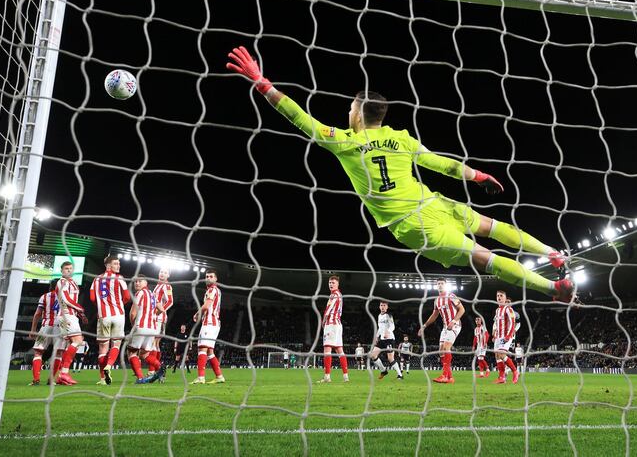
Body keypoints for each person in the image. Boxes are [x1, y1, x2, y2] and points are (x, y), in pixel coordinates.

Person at [226, 46, 574, 302]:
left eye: (350, 107)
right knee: (493, 227)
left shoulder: (346, 142)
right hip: (432, 201)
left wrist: (262, 83)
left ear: (359, 115)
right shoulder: (400, 138)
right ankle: (551, 252)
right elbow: (441, 164)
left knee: (484, 257)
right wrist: (477, 176)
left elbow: (301, 119)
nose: (348, 112)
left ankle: (552, 289)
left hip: (414, 224)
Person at [90, 255, 131, 385]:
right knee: (116, 344)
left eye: (119, 263)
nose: (118, 266)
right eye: (115, 263)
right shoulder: (119, 278)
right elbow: (127, 296)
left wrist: (102, 306)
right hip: (118, 314)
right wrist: (119, 305)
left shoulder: (96, 279)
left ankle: (102, 378)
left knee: (103, 348)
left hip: (103, 316)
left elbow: (92, 298)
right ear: (108, 265)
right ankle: (109, 366)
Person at [418, 278, 464, 384]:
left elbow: (462, 309)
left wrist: (453, 321)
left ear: (446, 285)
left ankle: (444, 376)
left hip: (455, 325)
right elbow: (434, 315)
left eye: (442, 284)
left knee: (446, 347)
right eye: (438, 284)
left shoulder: (451, 296)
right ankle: (450, 377)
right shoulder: (437, 300)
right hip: (445, 327)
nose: (440, 285)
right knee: (441, 351)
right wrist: (424, 326)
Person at [54, 261, 89, 385]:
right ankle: (64, 372)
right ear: (61, 271)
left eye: (70, 268)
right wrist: (81, 309)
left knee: (65, 347)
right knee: (78, 341)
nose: (68, 270)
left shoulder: (73, 283)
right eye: (66, 269)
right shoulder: (62, 282)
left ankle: (60, 376)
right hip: (66, 316)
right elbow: (66, 299)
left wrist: (81, 315)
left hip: (69, 316)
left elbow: (73, 300)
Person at [128, 277, 165, 384]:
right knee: (144, 354)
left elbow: (132, 313)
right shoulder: (152, 294)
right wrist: (153, 316)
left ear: (146, 282)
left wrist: (133, 325)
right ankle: (160, 367)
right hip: (152, 328)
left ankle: (140, 378)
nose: (137, 283)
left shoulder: (139, 294)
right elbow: (162, 309)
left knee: (131, 352)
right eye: (135, 281)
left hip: (140, 326)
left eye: (140, 281)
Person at [191, 269, 225, 384]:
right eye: (207, 276)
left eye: (211, 276)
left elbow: (206, 306)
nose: (208, 278)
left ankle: (201, 377)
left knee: (202, 349)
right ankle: (219, 376)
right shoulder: (216, 290)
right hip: (214, 323)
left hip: (209, 323)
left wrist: (197, 314)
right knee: (210, 351)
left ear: (216, 279)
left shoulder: (212, 290)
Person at [28, 281, 62, 385]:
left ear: (50, 287)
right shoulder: (65, 296)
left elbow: (38, 313)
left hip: (45, 327)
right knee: (58, 353)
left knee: (38, 352)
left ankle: (36, 379)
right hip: (60, 328)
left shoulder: (44, 297)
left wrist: (33, 329)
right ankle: (51, 380)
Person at [317, 275, 349, 383]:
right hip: (338, 324)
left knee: (327, 350)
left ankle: (327, 377)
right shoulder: (339, 294)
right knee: (340, 350)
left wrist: (324, 320)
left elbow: (329, 309)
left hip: (331, 324)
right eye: (330, 282)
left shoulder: (334, 295)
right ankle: (346, 376)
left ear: (337, 284)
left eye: (333, 282)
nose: (331, 284)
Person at [369, 301, 403, 380]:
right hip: (382, 339)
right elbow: (380, 328)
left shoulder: (388, 315)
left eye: (384, 305)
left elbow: (392, 326)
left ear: (387, 307)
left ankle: (400, 375)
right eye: (381, 305)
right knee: (373, 355)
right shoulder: (379, 316)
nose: (383, 307)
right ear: (379, 306)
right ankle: (384, 370)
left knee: (390, 358)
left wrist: (388, 331)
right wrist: (376, 337)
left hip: (389, 339)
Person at [492, 290, 519, 384]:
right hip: (498, 337)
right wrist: (495, 335)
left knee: (502, 355)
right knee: (497, 356)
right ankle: (502, 377)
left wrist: (508, 335)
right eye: (498, 296)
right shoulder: (497, 310)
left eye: (501, 296)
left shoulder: (508, 309)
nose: (499, 297)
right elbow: (496, 324)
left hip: (506, 336)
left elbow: (512, 323)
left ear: (505, 298)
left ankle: (515, 371)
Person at [152, 268, 174, 377]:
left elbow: (170, 301)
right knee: (154, 343)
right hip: (155, 317)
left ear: (168, 275)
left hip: (160, 317)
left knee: (154, 343)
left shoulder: (167, 286)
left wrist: (158, 311)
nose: (162, 273)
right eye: (161, 271)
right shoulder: (158, 286)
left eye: (165, 272)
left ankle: (154, 370)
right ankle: (157, 369)